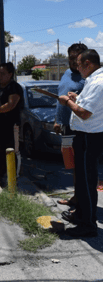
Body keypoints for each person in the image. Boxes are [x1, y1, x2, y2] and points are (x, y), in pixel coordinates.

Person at [58, 49, 102, 238]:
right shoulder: (93, 80)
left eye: (78, 64)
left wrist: (67, 102)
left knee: (86, 182)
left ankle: (88, 225)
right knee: (83, 181)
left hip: (89, 137)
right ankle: (82, 215)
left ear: (88, 64)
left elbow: (84, 113)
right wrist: (77, 98)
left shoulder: (99, 82)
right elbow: (88, 105)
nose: (76, 68)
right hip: (84, 136)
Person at [54, 43, 87, 207]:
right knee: (73, 166)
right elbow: (60, 98)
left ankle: (83, 202)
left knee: (82, 167)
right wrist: (57, 120)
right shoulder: (66, 73)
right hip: (66, 127)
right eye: (71, 58)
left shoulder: (87, 77)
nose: (74, 61)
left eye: (78, 58)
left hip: (80, 128)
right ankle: (77, 197)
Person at [0, 62, 23, 187]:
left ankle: (13, 178)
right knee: (0, 151)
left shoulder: (14, 87)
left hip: (11, 126)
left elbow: (11, 105)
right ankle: (0, 176)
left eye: (3, 74)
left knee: (12, 150)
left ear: (10, 74)